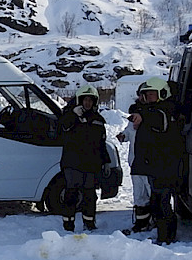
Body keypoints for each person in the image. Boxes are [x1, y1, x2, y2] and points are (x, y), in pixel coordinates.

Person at [127, 77, 186, 244]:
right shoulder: (153, 109)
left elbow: (156, 118)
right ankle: (164, 235)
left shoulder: (164, 111)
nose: (147, 98)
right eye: (146, 95)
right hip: (155, 166)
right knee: (157, 202)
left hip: (165, 167)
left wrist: (141, 113)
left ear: (162, 94)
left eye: (151, 94)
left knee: (162, 204)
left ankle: (167, 237)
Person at [57, 85, 110, 232]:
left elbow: (101, 143)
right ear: (79, 100)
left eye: (90, 100)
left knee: (90, 196)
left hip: (91, 164)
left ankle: (89, 223)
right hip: (72, 163)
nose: (87, 103)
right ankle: (68, 224)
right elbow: (60, 130)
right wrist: (73, 115)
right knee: (71, 194)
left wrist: (106, 162)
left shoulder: (98, 120)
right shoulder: (69, 116)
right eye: (85, 100)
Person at [120, 96, 154, 234]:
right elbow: (128, 132)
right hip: (135, 163)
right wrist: (123, 136)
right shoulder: (134, 116)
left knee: (153, 193)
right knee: (139, 195)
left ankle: (156, 222)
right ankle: (141, 223)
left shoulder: (152, 116)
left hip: (150, 163)